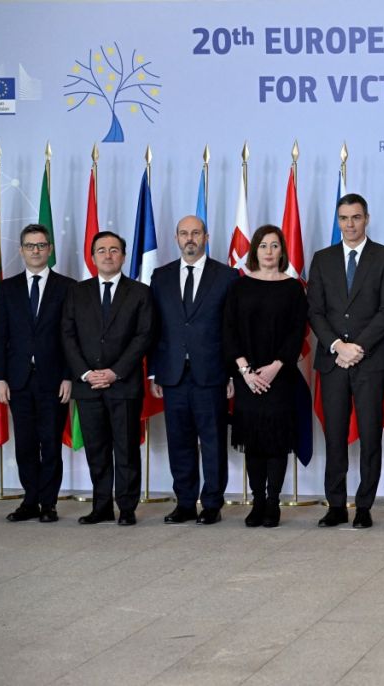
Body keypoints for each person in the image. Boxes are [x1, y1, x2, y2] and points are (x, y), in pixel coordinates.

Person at [308, 193, 384, 529]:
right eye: (344, 218)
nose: (350, 224)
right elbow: (315, 311)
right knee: (334, 435)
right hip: (333, 361)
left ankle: (364, 505)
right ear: (338, 220)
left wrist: (357, 346)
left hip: (370, 360)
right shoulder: (322, 258)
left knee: (370, 434)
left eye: (356, 217)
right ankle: (336, 505)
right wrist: (337, 345)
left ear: (367, 218)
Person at [149, 215, 238, 525]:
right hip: (172, 375)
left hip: (211, 374)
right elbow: (154, 328)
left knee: (213, 441)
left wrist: (230, 374)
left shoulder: (227, 276)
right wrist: (154, 372)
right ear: (176, 239)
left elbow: (231, 330)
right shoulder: (160, 277)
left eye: (196, 233)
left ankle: (212, 503)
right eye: (184, 233)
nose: (190, 238)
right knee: (179, 441)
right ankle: (185, 502)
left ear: (206, 236)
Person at [61, 231, 154, 525]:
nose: (108, 255)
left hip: (123, 384)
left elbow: (144, 336)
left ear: (123, 256)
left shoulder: (140, 292)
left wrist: (115, 372)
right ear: (93, 256)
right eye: (101, 250)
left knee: (125, 449)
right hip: (87, 386)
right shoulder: (77, 292)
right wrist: (87, 373)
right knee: (97, 450)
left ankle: (126, 508)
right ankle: (101, 506)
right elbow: (67, 335)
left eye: (114, 250)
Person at [223, 225, 308, 528]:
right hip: (247, 377)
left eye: (274, 246)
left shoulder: (293, 287)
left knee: (276, 442)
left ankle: (273, 502)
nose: (269, 251)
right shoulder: (239, 286)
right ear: (254, 250)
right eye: (263, 246)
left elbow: (297, 333)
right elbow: (228, 330)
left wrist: (274, 367)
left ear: (283, 251)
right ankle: (257, 500)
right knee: (254, 442)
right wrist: (245, 371)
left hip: (279, 376)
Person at [0, 225, 73, 523]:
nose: (36, 251)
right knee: (25, 443)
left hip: (55, 380)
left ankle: (49, 503)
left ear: (50, 249)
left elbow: (71, 336)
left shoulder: (67, 286)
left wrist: (68, 375)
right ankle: (30, 500)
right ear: (21, 250)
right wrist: (0, 377)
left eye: (41, 245)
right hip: (18, 381)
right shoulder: (9, 287)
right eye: (30, 246)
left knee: (51, 442)